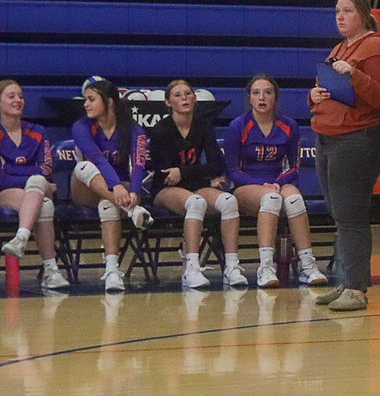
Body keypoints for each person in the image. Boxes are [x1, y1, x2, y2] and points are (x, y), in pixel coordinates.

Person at [309, 0, 380, 312]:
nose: (340, 16)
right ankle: (348, 281)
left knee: (351, 214)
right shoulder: (339, 48)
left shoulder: (376, 46)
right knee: (340, 214)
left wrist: (354, 75)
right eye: (337, 11)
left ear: (363, 13)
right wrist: (314, 95)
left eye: (347, 11)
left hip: (358, 138)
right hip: (328, 136)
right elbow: (332, 89)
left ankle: (357, 288)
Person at [225, 74, 327, 289]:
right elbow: (232, 170)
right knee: (271, 198)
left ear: (275, 98)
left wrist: (278, 182)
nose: (262, 97)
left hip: (278, 182)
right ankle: (265, 267)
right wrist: (260, 184)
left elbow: (294, 167)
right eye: (256, 93)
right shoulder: (238, 126)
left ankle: (307, 266)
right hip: (247, 186)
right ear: (250, 98)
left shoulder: (289, 125)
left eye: (268, 92)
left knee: (295, 199)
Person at [147, 79, 247, 290]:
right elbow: (166, 175)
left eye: (188, 93)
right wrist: (203, 176)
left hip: (195, 185)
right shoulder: (161, 130)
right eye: (177, 95)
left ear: (194, 98)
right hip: (163, 190)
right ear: (168, 102)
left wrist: (183, 172)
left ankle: (231, 267)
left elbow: (216, 165)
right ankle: (191, 269)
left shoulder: (203, 125)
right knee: (196, 202)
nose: (184, 98)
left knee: (228, 201)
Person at [70, 77, 151, 293]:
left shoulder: (134, 130)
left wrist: (134, 193)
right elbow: (97, 160)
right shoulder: (81, 127)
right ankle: (132, 211)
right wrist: (117, 187)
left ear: (109, 102)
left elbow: (139, 165)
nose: (86, 104)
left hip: (120, 193)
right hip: (85, 189)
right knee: (84, 167)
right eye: (85, 100)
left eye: (91, 99)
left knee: (107, 205)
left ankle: (112, 270)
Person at [0, 80, 67, 289]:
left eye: (20, 96)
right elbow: (1, 179)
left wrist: (9, 167)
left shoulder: (38, 130)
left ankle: (21, 239)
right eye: (11, 96)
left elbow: (46, 169)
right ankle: (51, 271)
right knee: (41, 196)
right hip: (5, 192)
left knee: (40, 190)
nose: (18, 100)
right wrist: (32, 177)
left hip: (35, 190)